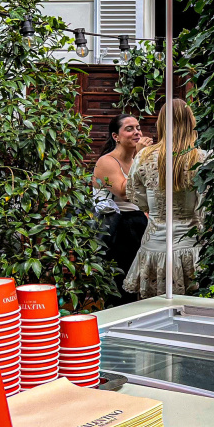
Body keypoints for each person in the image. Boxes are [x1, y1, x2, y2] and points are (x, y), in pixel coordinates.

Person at [124, 99, 208, 298]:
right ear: (191, 122)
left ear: (161, 123)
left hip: (153, 244)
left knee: (151, 312)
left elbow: (136, 197)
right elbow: (205, 207)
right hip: (190, 246)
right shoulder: (201, 157)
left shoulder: (144, 156)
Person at [92, 114, 152, 299]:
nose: (137, 132)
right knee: (122, 287)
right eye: (129, 128)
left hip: (138, 225)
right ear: (115, 136)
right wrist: (142, 158)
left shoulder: (136, 161)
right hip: (117, 230)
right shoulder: (106, 162)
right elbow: (124, 192)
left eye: (138, 128)